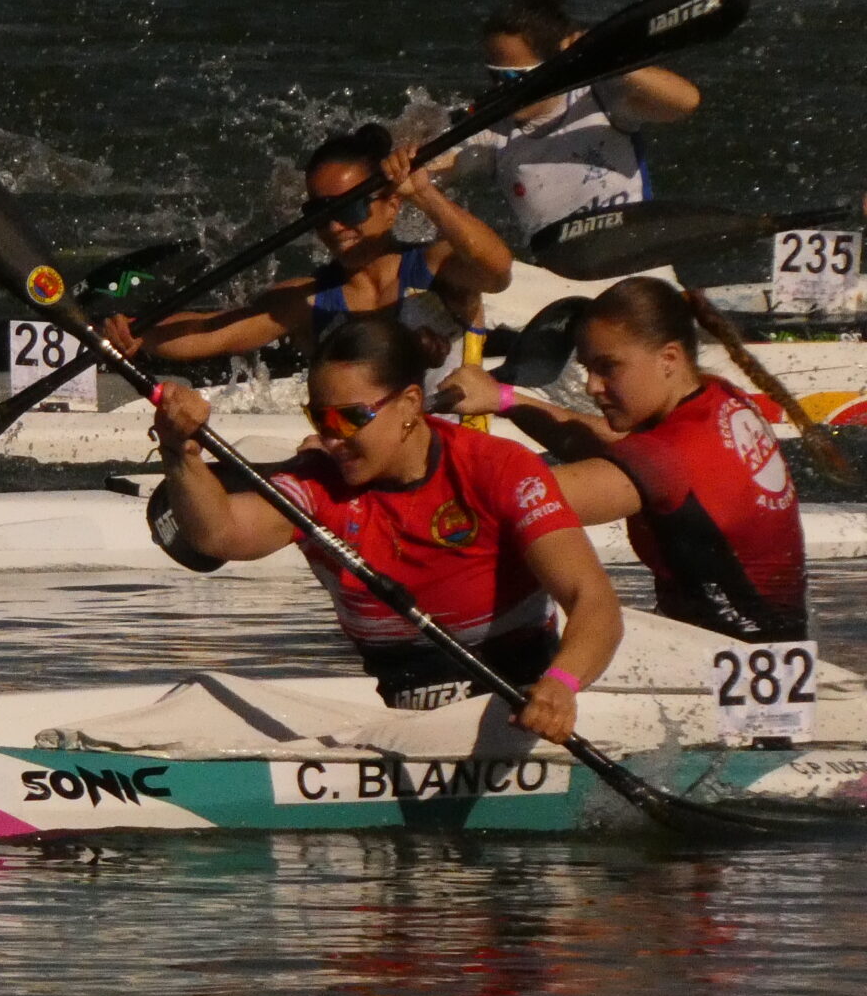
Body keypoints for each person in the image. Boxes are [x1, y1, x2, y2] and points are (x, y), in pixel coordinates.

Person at [153, 316, 622, 738]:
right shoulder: (315, 487)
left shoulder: (498, 470)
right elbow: (219, 535)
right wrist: (180, 452)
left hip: (527, 717)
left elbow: (595, 603)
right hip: (409, 728)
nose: (331, 438)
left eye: (349, 418)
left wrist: (559, 687)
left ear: (409, 404)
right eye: (320, 418)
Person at [435, 277, 805, 642]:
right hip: (774, 647)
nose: (591, 386)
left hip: (724, 673)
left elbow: (519, 499)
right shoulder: (717, 396)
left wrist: (418, 449)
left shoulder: (668, 459)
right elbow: (622, 448)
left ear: (669, 359)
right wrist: (505, 400)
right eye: (587, 368)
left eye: (608, 367)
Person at [108, 126, 513, 382]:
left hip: (452, 461)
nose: (335, 226)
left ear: (392, 206)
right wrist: (138, 334)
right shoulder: (306, 300)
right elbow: (213, 330)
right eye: (319, 213)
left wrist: (426, 193)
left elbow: (497, 270)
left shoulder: (438, 269)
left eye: (351, 207)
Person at [438, 0, 699, 242]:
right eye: (494, 77)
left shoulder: (602, 100)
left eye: (512, 78)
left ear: (556, 66)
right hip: (562, 275)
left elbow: (685, 102)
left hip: (633, 260)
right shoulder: (491, 136)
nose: (501, 89)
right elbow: (432, 173)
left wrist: (607, 56)